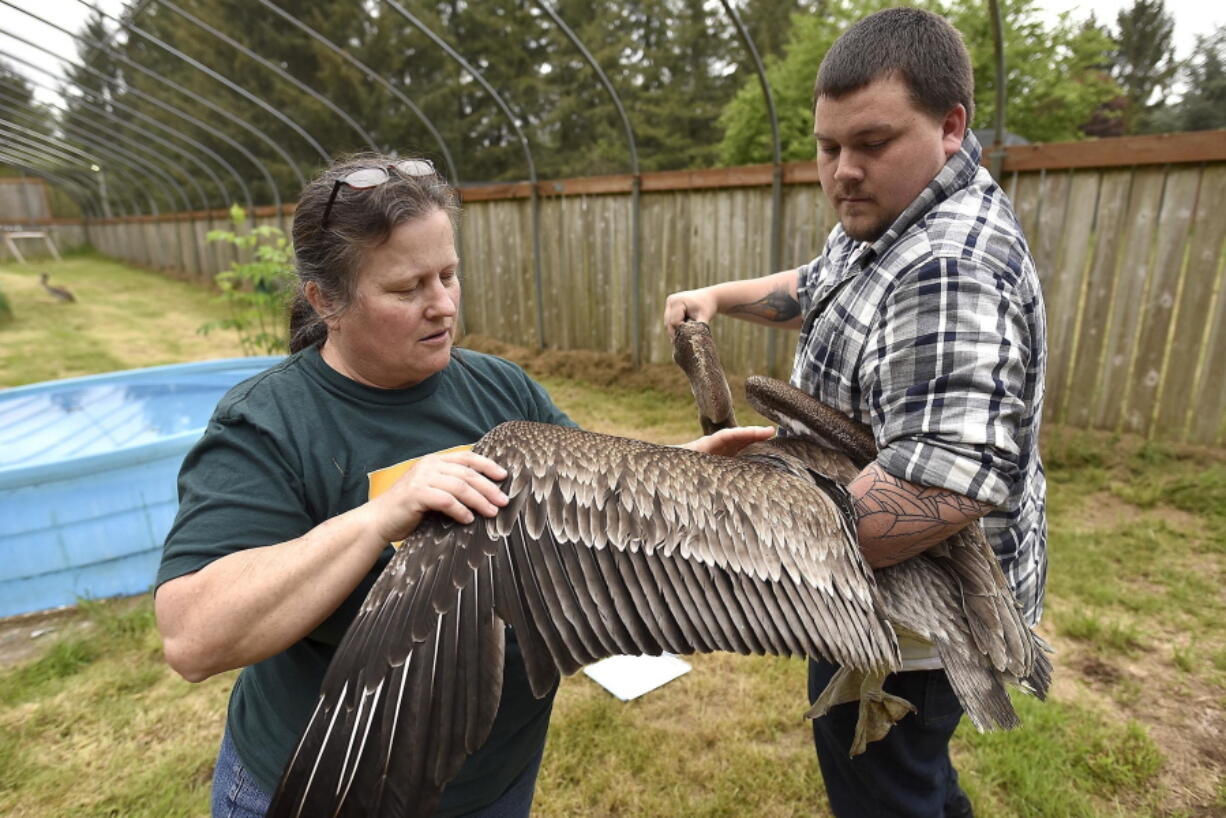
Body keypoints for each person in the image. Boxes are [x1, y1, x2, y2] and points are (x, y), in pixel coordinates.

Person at [155, 154, 770, 818]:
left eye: (449, 275)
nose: (443, 305)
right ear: (325, 300)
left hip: (491, 783)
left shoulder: (501, 388)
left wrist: (681, 473)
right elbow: (193, 637)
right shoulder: (271, 423)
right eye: (407, 287)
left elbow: (585, 511)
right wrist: (377, 519)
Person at [664, 8, 1046, 818]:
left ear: (950, 126)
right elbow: (826, 283)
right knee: (912, 780)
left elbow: (942, 491)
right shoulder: (889, 218)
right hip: (871, 593)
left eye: (870, 144)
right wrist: (720, 298)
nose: (841, 171)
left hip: (912, 624)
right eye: (828, 146)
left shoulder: (948, 268)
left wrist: (739, 532)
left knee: (883, 791)